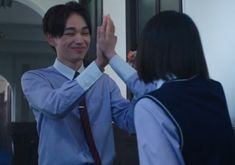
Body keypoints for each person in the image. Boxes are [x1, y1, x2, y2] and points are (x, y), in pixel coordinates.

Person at [21, 2, 157, 165]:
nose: (80, 40)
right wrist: (98, 65)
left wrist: (135, 73)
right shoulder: (34, 79)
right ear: (51, 38)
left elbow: (131, 123)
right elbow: (55, 106)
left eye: (85, 33)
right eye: (70, 33)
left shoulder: (105, 83)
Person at [97, 11, 235, 165]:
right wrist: (112, 55)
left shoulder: (150, 106)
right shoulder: (214, 89)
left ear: (150, 51)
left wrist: (110, 55)